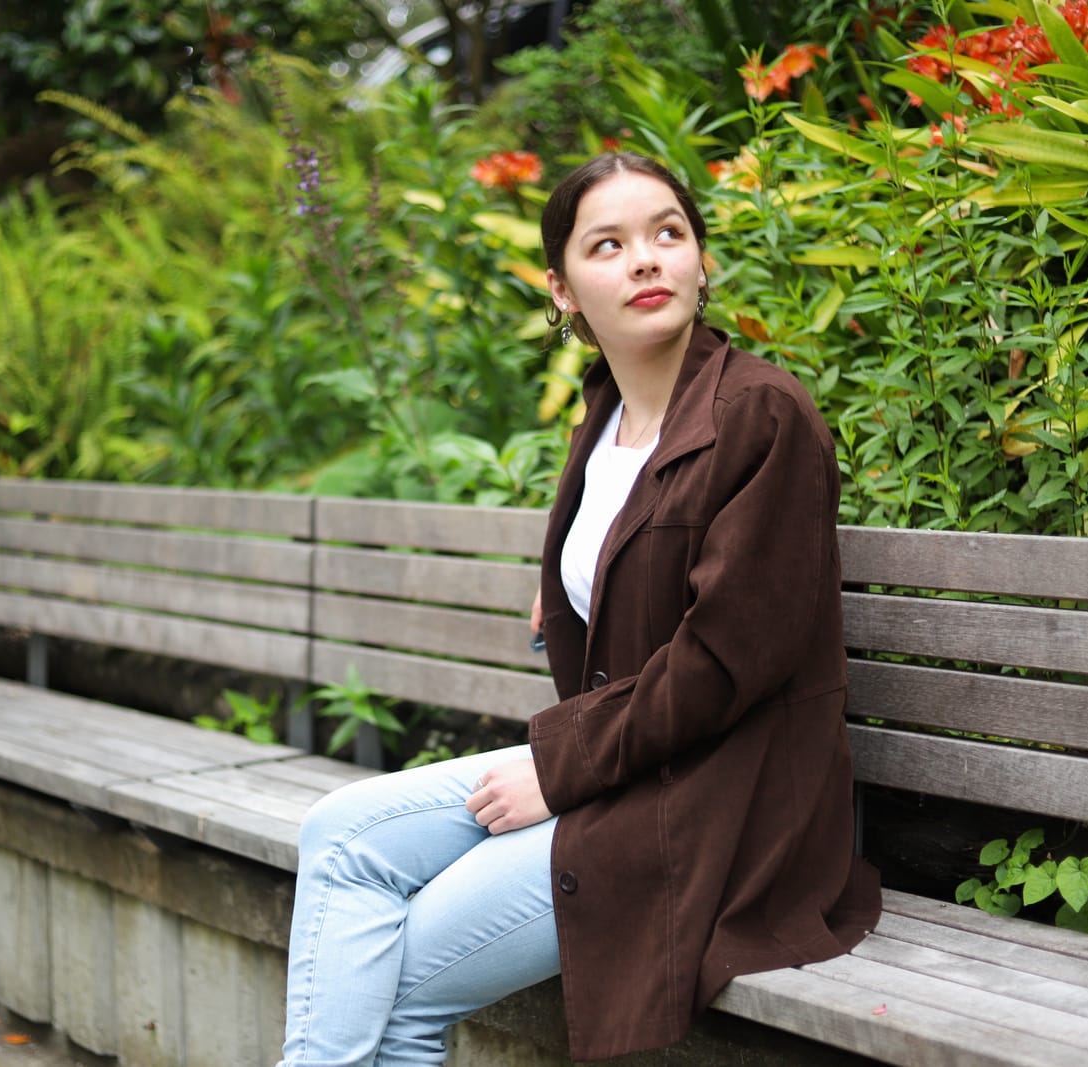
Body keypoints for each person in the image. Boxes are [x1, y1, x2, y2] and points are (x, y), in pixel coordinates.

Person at [276, 152, 881, 1066]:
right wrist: (578, 571)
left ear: (702, 262)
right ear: (562, 290)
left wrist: (558, 773)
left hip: (724, 805)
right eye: (610, 245)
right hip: (632, 766)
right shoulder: (607, 415)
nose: (646, 260)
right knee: (340, 834)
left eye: (667, 234)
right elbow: (649, 546)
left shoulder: (761, 415)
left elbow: (721, 662)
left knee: (396, 976)